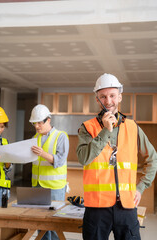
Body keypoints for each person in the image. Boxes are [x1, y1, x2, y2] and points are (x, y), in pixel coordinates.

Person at [76, 73, 157, 240]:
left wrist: (141, 188)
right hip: (97, 208)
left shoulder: (132, 127)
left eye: (112, 95)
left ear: (120, 97)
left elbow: (152, 158)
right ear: (97, 99)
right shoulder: (87, 128)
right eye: (103, 97)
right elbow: (83, 158)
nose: (108, 101)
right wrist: (106, 130)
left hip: (126, 207)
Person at [29, 104, 69, 240]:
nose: (37, 126)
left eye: (40, 123)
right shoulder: (36, 137)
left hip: (54, 188)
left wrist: (43, 154)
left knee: (53, 223)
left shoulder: (61, 136)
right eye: (35, 123)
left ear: (48, 120)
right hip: (37, 186)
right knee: (41, 223)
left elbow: (60, 161)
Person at [0, 106, 12, 208]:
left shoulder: (5, 142)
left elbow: (7, 169)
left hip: (2, 187)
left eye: (2, 127)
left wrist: (8, 161)